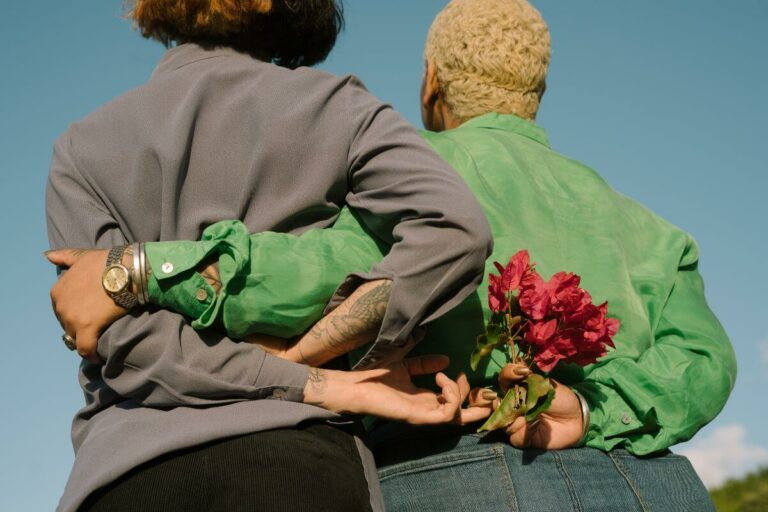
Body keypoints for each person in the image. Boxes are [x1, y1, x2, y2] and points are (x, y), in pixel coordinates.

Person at [50, 0, 737, 510]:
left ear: (431, 83)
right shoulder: (653, 229)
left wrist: (143, 271)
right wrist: (590, 411)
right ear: (537, 92)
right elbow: (707, 366)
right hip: (657, 485)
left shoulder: (408, 177)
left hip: (454, 474)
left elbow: (318, 274)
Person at [44, 1, 495, 511]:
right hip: (294, 460)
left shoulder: (80, 150)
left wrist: (296, 375)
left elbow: (123, 344)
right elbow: (454, 228)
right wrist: (312, 375)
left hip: (123, 473)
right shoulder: (335, 107)